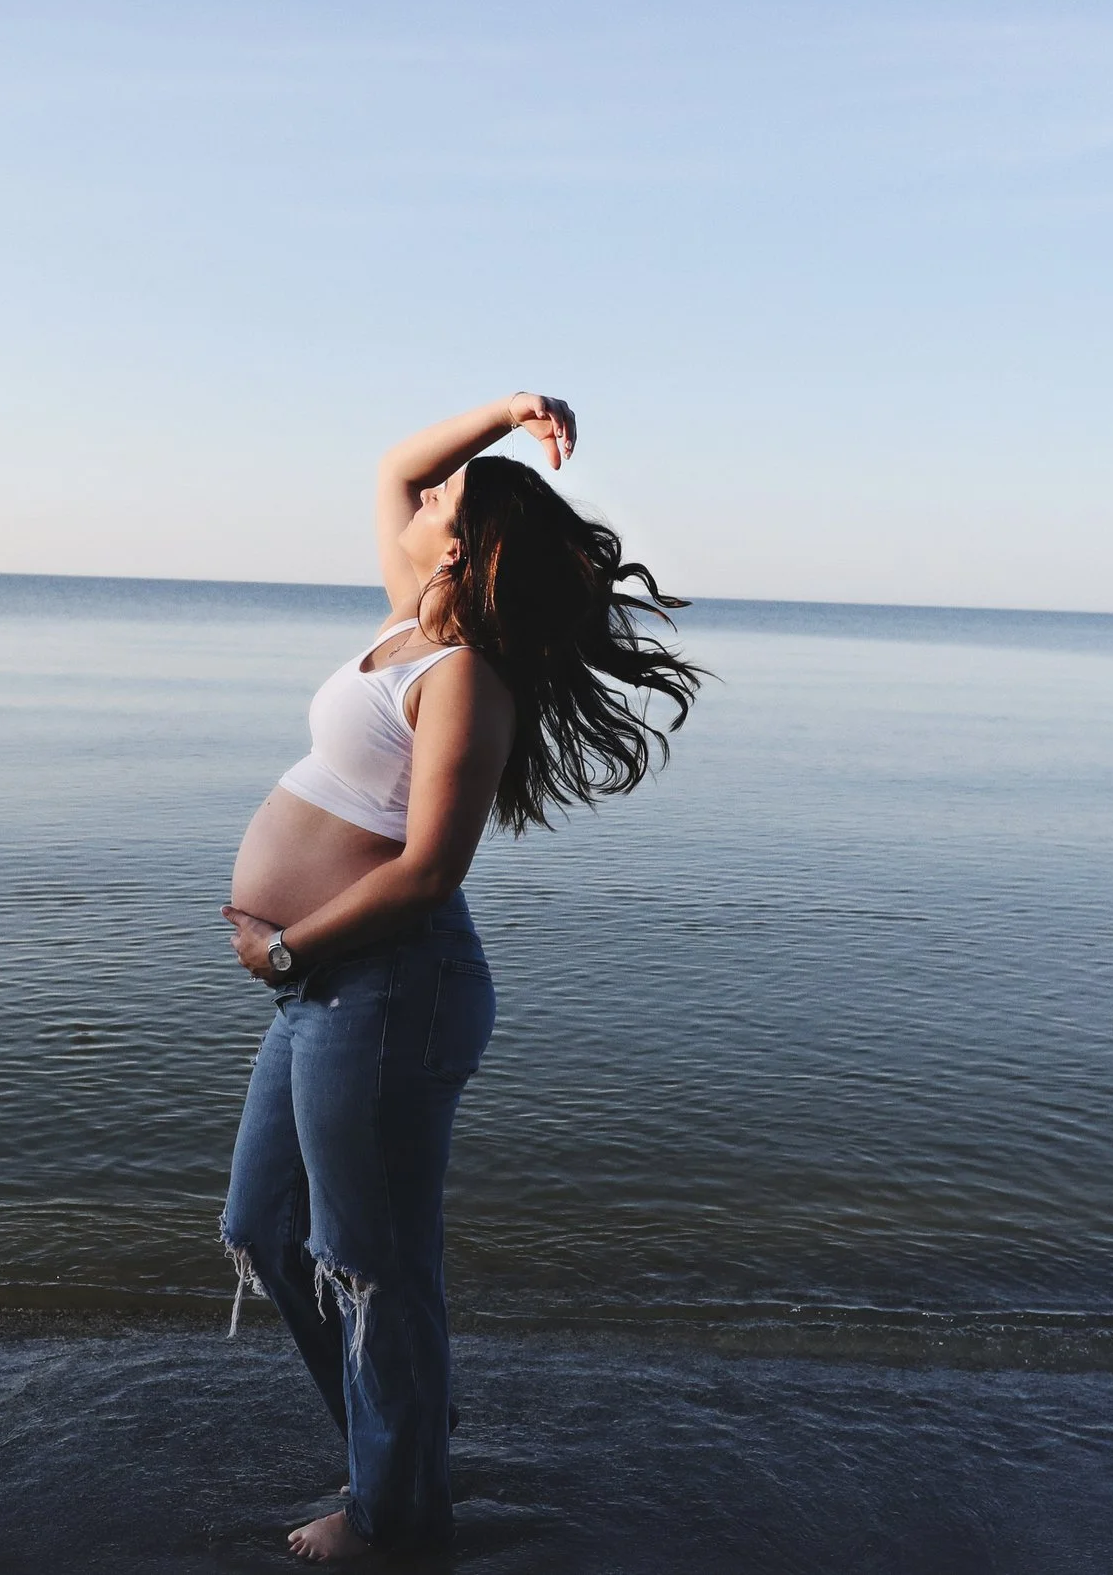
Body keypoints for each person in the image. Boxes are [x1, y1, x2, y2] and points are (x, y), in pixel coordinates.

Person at [218, 392, 704, 1561]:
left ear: (464, 545)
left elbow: (430, 870)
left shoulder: (467, 679)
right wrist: (507, 408)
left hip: (386, 986)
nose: (427, 494)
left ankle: (398, 1513)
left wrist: (288, 943)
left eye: (448, 499)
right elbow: (394, 462)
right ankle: (406, 1433)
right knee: (268, 1226)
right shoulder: (403, 627)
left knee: (374, 1263)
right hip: (327, 988)